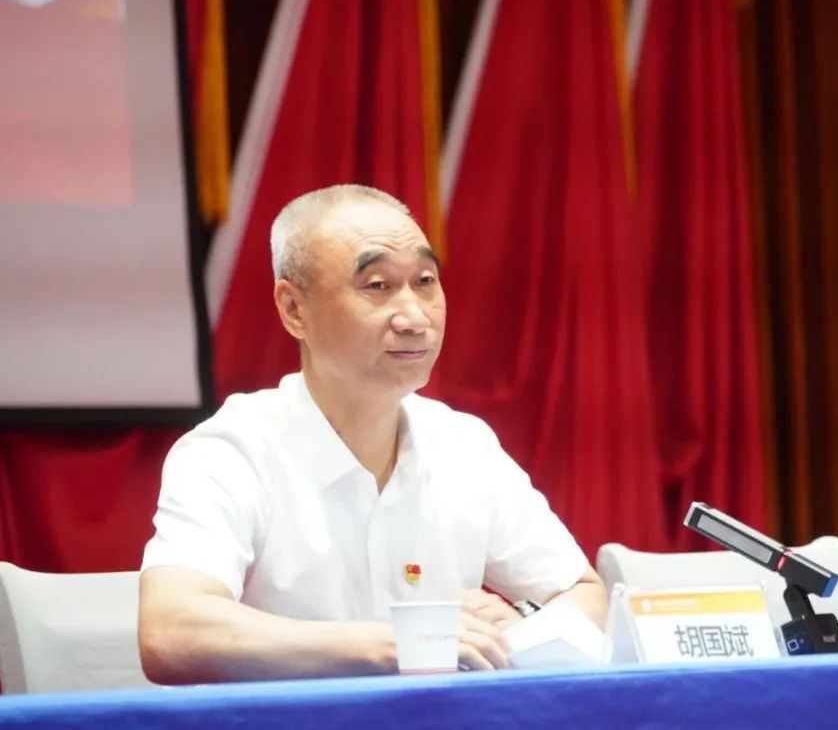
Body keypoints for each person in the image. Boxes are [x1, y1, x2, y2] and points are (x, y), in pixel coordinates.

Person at [138, 185, 607, 684]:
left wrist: (525, 625)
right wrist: (385, 644)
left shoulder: (464, 446)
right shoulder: (231, 451)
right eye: (377, 286)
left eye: (425, 282)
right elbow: (170, 633)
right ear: (294, 309)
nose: (415, 317)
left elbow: (585, 593)